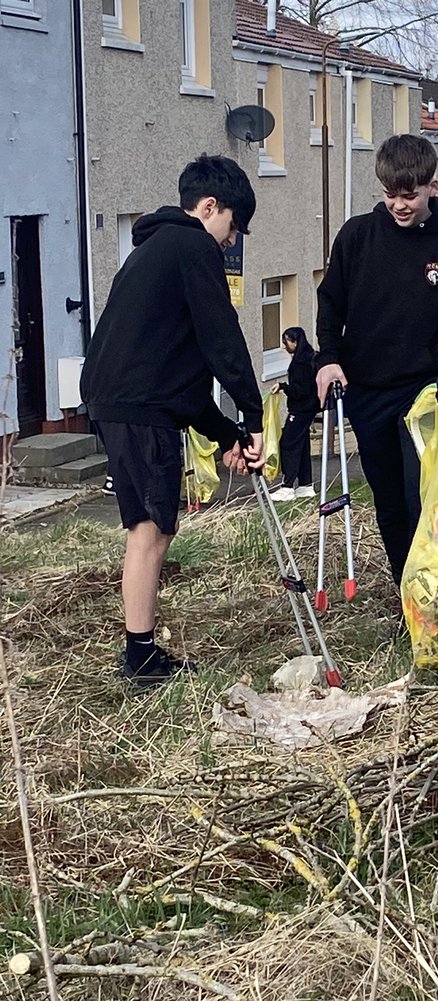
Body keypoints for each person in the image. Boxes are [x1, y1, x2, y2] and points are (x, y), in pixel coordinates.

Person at [80, 154, 265, 686]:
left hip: (124, 402)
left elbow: (179, 378)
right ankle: (140, 657)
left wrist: (227, 432)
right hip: (137, 410)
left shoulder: (154, 249)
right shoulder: (191, 246)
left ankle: (140, 650)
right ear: (210, 207)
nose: (232, 240)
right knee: (151, 529)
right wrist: (252, 415)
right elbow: (221, 337)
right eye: (234, 225)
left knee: (153, 525)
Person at [315, 134, 438, 587]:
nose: (399, 204)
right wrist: (327, 358)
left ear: (432, 187)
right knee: (390, 501)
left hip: (426, 392)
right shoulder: (358, 234)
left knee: (424, 499)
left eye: (409, 195)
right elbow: (330, 301)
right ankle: (407, 593)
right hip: (369, 391)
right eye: (390, 194)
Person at [269, 326, 318, 501]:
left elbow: (300, 390)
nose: (284, 346)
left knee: (288, 443)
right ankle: (305, 484)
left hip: (300, 409)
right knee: (302, 445)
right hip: (309, 408)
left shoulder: (300, 364)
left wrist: (284, 387)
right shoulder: (310, 357)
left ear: (295, 342)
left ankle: (287, 485)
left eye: (286, 342)